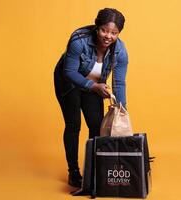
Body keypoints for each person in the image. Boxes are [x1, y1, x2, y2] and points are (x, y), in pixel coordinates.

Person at [54, 8, 128, 188]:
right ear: (97, 28)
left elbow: (119, 82)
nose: (108, 36)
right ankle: (73, 172)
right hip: (69, 82)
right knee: (73, 125)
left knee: (96, 126)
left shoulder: (120, 52)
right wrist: (94, 86)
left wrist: (122, 108)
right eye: (104, 30)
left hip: (94, 86)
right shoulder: (79, 40)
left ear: (118, 33)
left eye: (113, 33)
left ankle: (94, 170)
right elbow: (69, 71)